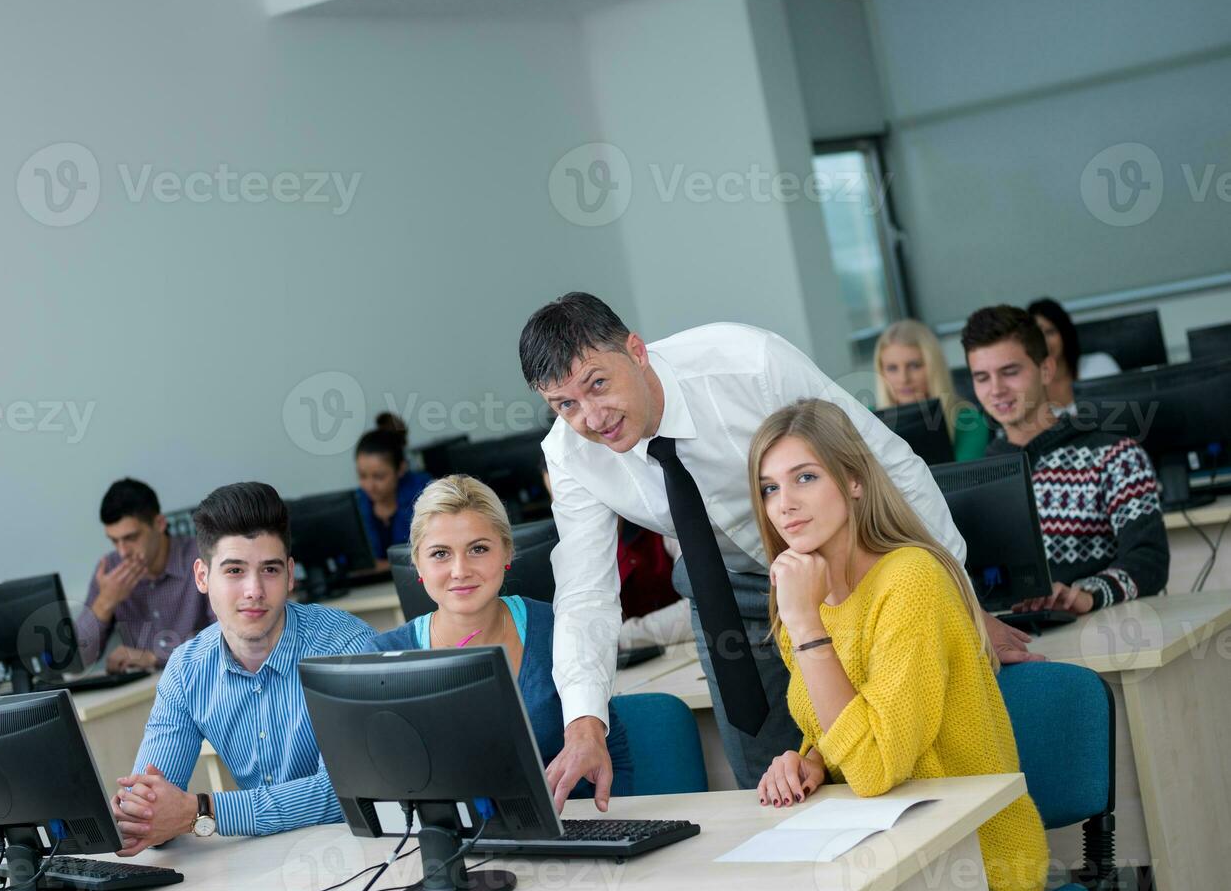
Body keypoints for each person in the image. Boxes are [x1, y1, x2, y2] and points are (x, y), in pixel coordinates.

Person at [518, 293, 1040, 808]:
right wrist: (584, 721)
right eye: (565, 405)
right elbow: (585, 593)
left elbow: (885, 461)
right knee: (772, 780)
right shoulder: (569, 454)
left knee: (889, 744)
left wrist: (962, 600)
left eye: (598, 385)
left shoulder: (748, 363)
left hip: (848, 574)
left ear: (637, 351)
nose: (591, 416)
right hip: (725, 587)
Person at [749, 399, 1048, 891]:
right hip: (881, 848)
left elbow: (874, 766)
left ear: (854, 480)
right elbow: (844, 726)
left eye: (804, 478)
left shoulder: (910, 580)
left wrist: (805, 627)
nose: (784, 504)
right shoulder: (804, 594)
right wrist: (811, 759)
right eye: (770, 488)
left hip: (971, 863)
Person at [109, 482, 376, 854]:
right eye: (234, 571)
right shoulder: (186, 671)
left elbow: (348, 793)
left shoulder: (346, 648)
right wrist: (141, 814)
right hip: (259, 864)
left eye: (269, 569)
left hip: (356, 853)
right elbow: (154, 807)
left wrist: (203, 811)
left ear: (290, 574)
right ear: (202, 577)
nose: (254, 590)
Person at [368, 475, 635, 796]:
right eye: (440, 554)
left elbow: (610, 754)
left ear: (507, 552)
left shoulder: (559, 629)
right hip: (458, 840)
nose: (460, 570)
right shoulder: (386, 658)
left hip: (575, 829)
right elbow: (383, 781)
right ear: (417, 564)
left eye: (478, 549)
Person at [963, 306, 1169, 612]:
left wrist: (1088, 594)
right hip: (1006, 643)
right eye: (982, 377)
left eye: (1010, 372)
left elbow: (1149, 559)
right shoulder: (973, 476)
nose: (996, 390)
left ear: (1046, 369)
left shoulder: (1116, 457)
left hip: (1100, 633)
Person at [540, 453, 693, 651]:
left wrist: (622, 637)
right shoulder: (567, 554)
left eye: (577, 495)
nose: (572, 509)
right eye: (559, 500)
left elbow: (701, 608)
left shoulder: (664, 520)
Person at [74, 478, 215, 673]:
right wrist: (105, 602)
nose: (123, 552)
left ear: (159, 523)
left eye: (131, 538)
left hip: (201, 681)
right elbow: (77, 662)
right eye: (114, 541)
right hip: (142, 694)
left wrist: (154, 657)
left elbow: (227, 638)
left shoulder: (202, 557)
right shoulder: (110, 570)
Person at [873, 319, 989, 461]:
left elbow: (960, 481)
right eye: (892, 368)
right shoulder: (864, 418)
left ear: (934, 367)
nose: (903, 379)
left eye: (914, 366)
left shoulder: (967, 420)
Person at [354, 428, 432, 567]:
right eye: (362, 476)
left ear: (401, 469)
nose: (370, 486)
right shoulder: (357, 503)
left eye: (379, 477)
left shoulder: (426, 496)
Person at [1027, 298, 1121, 412]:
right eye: (1037, 335)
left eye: (1050, 332)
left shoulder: (1100, 365)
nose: (1044, 342)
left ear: (1065, 333)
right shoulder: (1026, 387)